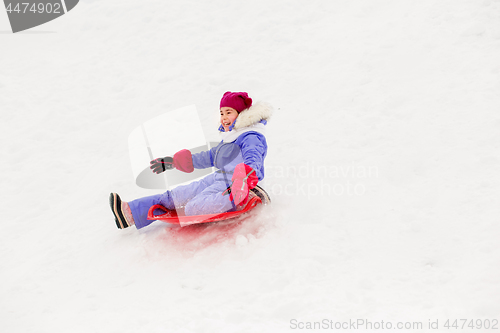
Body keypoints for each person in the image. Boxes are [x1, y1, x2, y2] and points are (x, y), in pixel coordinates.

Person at [109, 91, 273, 229]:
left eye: (229, 112)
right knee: (174, 196)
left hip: (241, 185)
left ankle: (241, 198)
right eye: (222, 113)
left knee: (192, 208)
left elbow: (254, 159)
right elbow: (208, 157)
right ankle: (129, 213)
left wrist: (245, 179)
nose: (224, 117)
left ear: (241, 114)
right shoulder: (230, 138)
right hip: (218, 179)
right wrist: (173, 162)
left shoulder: (252, 137)